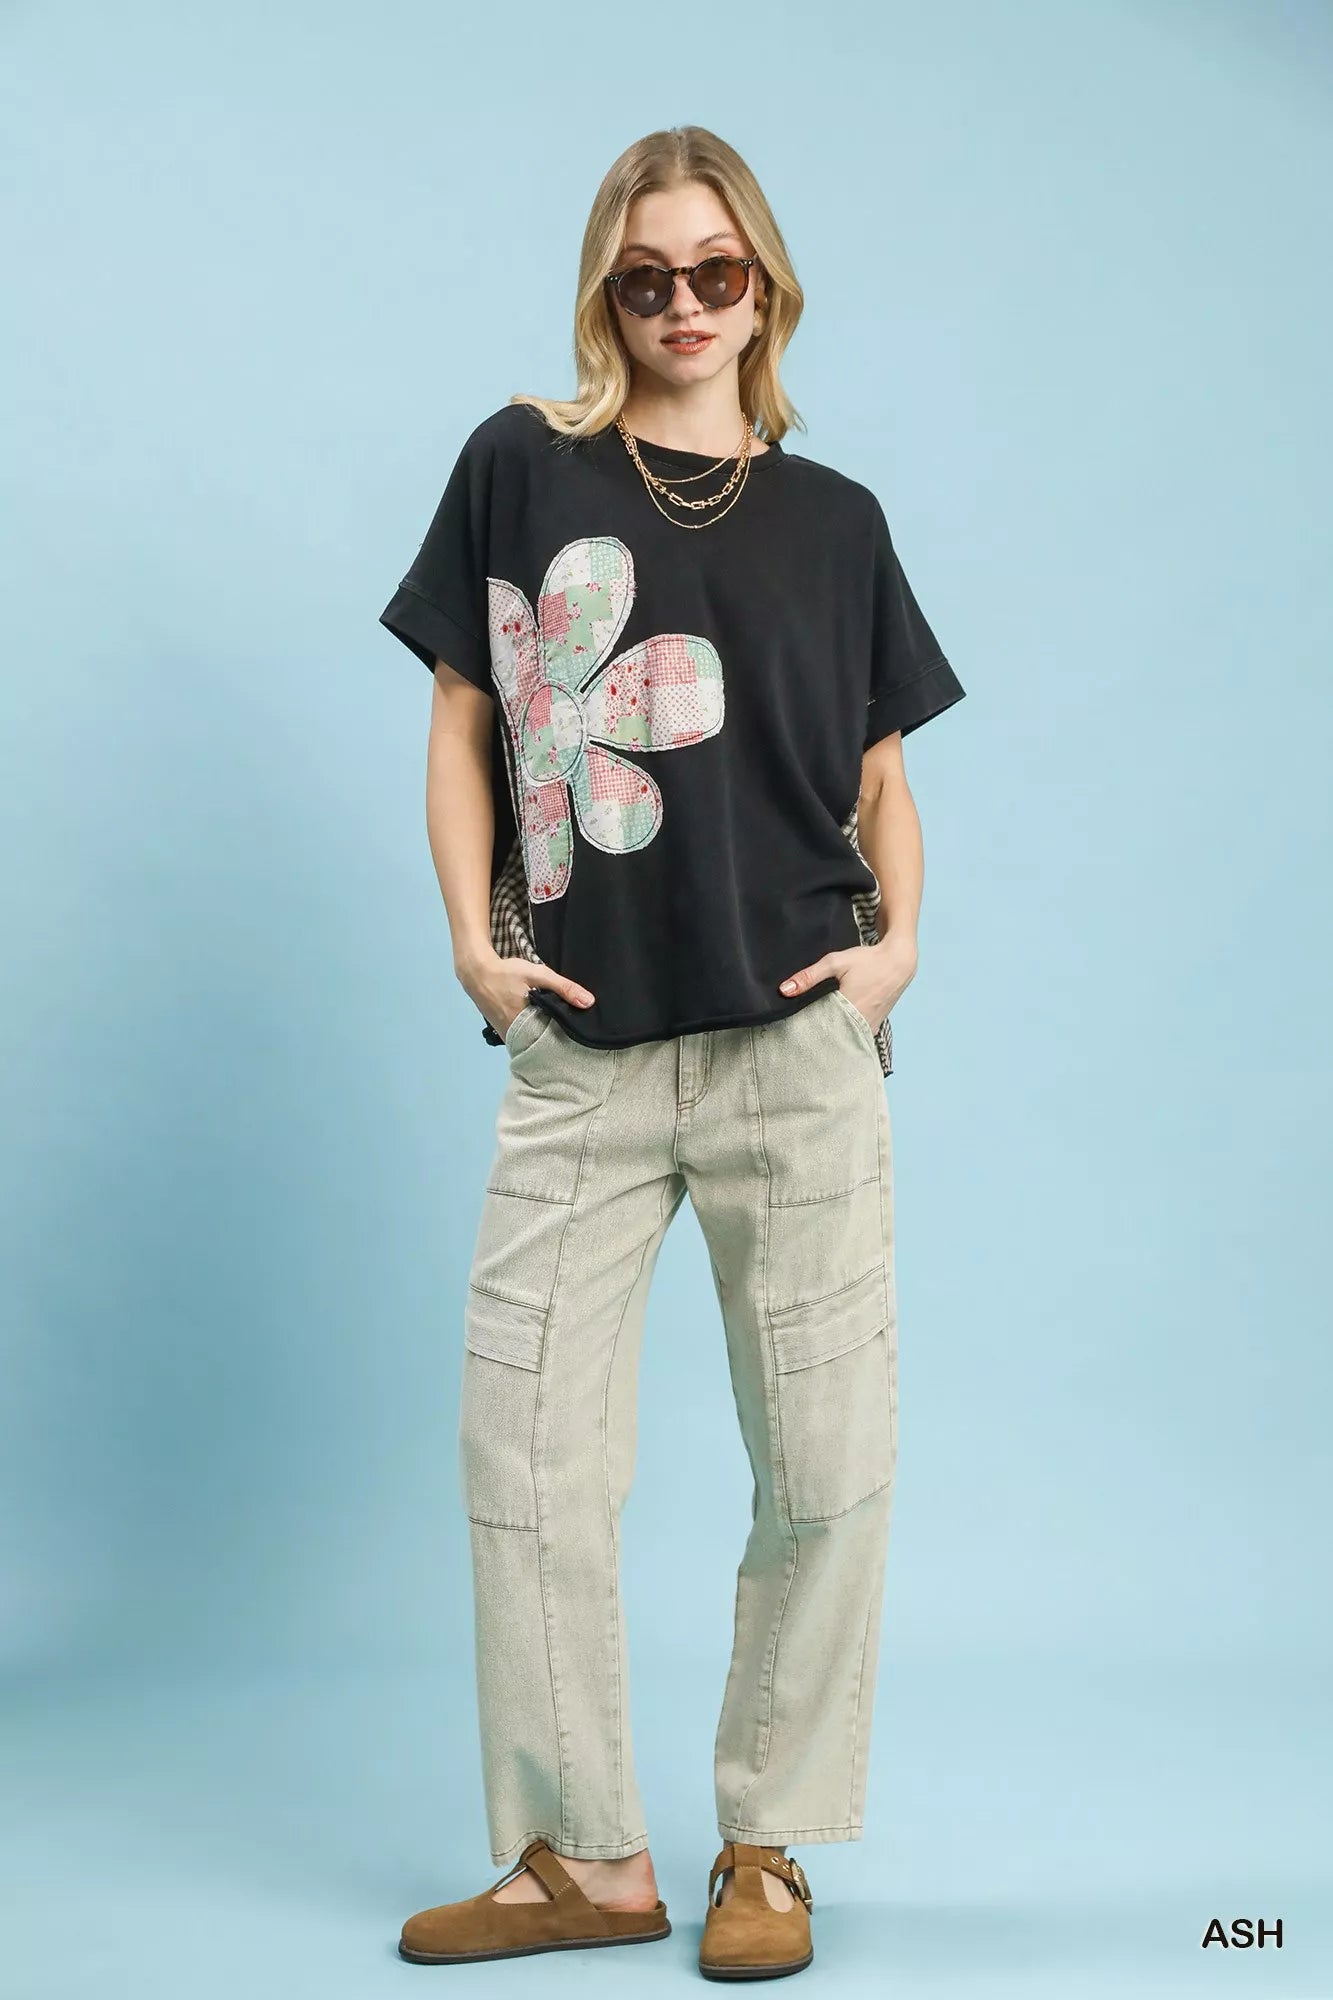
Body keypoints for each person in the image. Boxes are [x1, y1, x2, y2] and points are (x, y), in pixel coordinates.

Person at [377, 123, 966, 1981]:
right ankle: (588, 1861)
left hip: (798, 1050)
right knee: (524, 1451)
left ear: (764, 287)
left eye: (718, 272)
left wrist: (897, 957)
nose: (685, 305)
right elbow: (462, 717)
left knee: (825, 1461)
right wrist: (475, 946)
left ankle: (764, 1851)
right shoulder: (521, 464)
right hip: (586, 1054)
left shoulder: (837, 521)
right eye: (648, 278)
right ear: (604, 292)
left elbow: (880, 781)